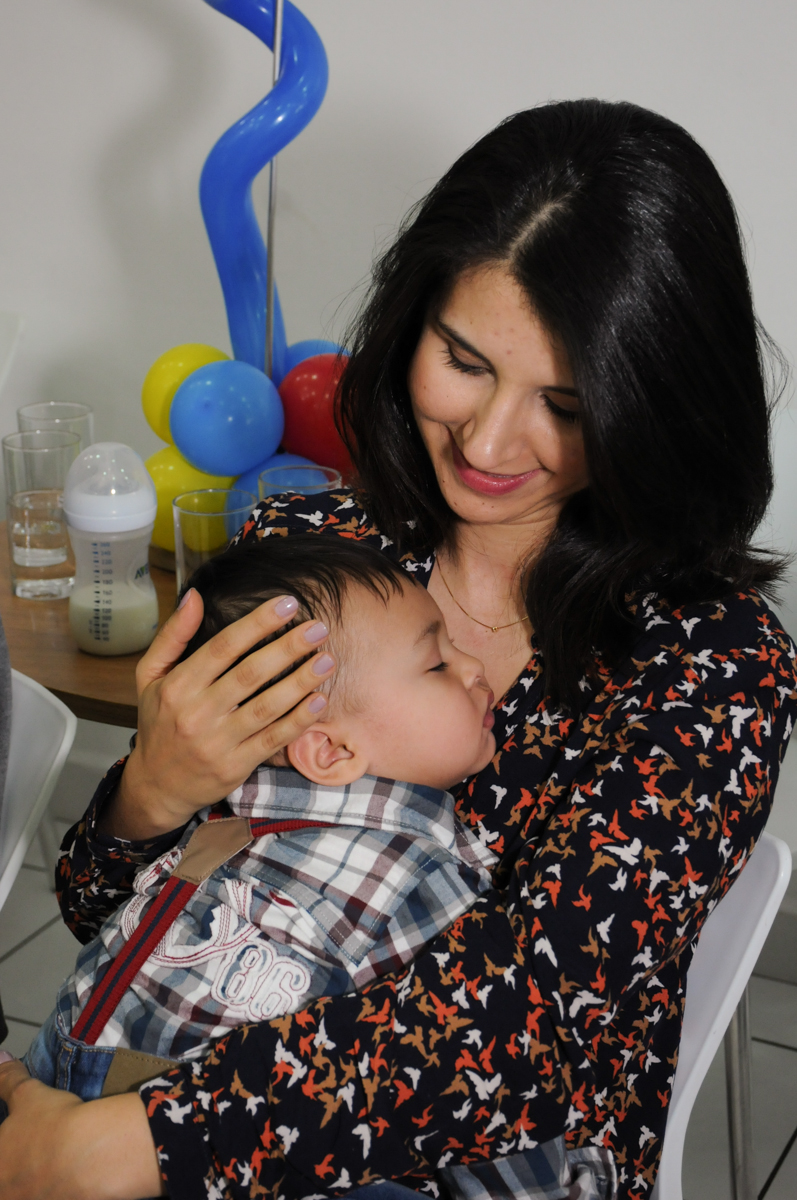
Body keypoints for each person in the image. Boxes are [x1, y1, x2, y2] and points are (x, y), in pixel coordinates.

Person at [2, 98, 796, 1200]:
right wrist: (150, 793)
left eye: (566, 405)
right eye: (462, 360)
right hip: (181, 1094)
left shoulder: (709, 661)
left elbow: (531, 1023)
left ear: (655, 407)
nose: (487, 440)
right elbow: (113, 917)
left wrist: (121, 1149)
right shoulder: (317, 550)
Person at [22, 537, 498, 1100]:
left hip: (62, 1051)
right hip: (182, 1108)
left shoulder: (224, 819)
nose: (475, 668)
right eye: (438, 664)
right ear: (331, 752)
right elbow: (474, 1058)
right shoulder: (422, 871)